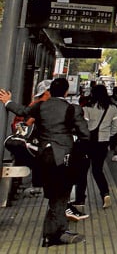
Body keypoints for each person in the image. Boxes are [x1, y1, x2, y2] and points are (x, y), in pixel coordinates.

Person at [0, 78, 89, 247]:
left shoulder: (41, 106)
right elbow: (85, 135)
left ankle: (58, 230)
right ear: (66, 92)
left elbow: (23, 110)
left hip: (44, 156)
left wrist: (7, 102)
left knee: (54, 195)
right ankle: (53, 235)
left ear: (50, 91)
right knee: (61, 195)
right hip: (63, 157)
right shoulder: (72, 109)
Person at [82, 85, 117, 208]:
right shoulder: (112, 108)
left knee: (83, 170)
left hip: (88, 142)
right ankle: (105, 194)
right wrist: (109, 134)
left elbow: (83, 124)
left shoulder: (88, 107)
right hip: (103, 142)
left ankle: (80, 199)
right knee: (97, 170)